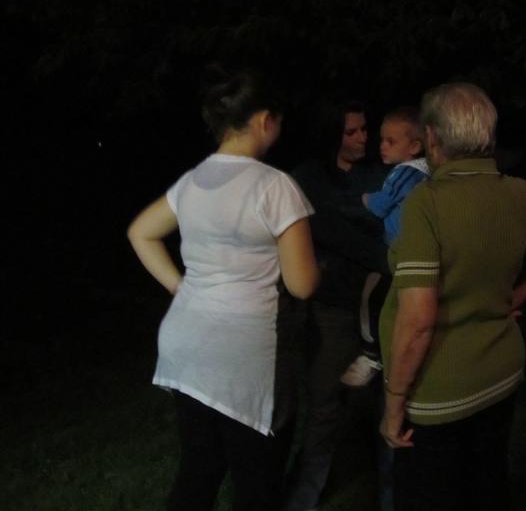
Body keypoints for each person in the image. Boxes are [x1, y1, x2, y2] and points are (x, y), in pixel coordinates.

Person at [379, 82, 526, 511]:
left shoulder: (426, 203)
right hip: (499, 378)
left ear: (432, 138)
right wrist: (518, 295)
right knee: (485, 486)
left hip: (438, 392)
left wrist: (394, 403)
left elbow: (418, 320)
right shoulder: (518, 193)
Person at [127, 70, 319, 511]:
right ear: (266, 120)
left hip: (187, 344)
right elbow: (303, 285)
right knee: (257, 484)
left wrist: (180, 286)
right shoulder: (275, 186)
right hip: (243, 356)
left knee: (199, 469)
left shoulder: (192, 181)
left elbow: (141, 232)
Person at [284, 102, 390, 511]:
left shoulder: (378, 173)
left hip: (379, 308)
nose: (363, 138)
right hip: (332, 309)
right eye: (352, 132)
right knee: (324, 406)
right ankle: (304, 496)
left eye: (365, 129)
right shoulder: (309, 178)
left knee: (388, 403)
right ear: (330, 135)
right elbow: (331, 230)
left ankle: (391, 494)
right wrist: (384, 256)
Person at [340, 106, 430, 387]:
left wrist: (364, 198)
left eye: (391, 141)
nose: (382, 146)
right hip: (415, 253)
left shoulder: (404, 173)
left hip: (397, 254)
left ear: (414, 147)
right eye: (382, 139)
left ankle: (370, 355)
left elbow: (380, 205)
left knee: (372, 297)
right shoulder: (429, 172)